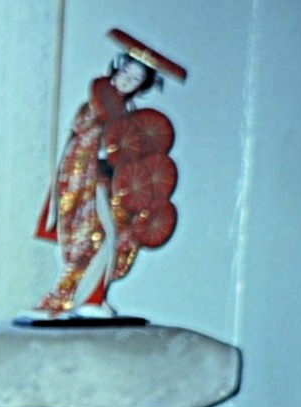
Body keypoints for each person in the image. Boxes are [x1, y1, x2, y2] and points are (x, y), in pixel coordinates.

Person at [33, 29, 187, 318]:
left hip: (109, 184)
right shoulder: (94, 107)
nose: (127, 80)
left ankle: (94, 297)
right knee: (92, 238)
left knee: (113, 237)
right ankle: (64, 299)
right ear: (117, 68)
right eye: (126, 72)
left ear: (141, 86)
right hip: (87, 181)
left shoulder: (127, 115)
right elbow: (81, 147)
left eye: (135, 79)